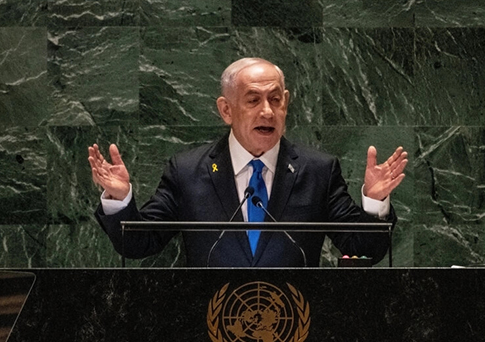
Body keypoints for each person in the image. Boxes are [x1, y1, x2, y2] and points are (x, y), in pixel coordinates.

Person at [88, 58, 407, 267]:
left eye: (276, 99)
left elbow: (365, 248)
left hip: (296, 330)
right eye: (253, 100)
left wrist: (375, 202)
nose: (267, 111)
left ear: (286, 103)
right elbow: (138, 243)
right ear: (226, 110)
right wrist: (119, 200)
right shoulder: (187, 171)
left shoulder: (317, 170)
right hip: (210, 331)